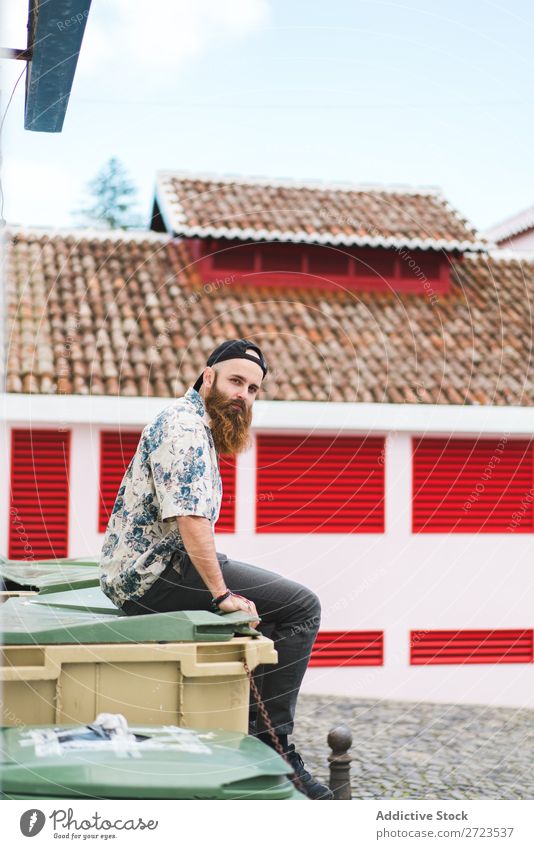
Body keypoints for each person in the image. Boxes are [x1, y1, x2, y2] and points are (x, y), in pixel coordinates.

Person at [100, 339, 333, 800]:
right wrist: (222, 595)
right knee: (302, 607)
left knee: (276, 599)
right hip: (153, 575)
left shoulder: (193, 423)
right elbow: (191, 518)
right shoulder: (185, 428)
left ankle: (259, 732)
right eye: (235, 381)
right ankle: (273, 748)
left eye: (253, 389)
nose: (244, 395)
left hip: (154, 567)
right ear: (208, 378)